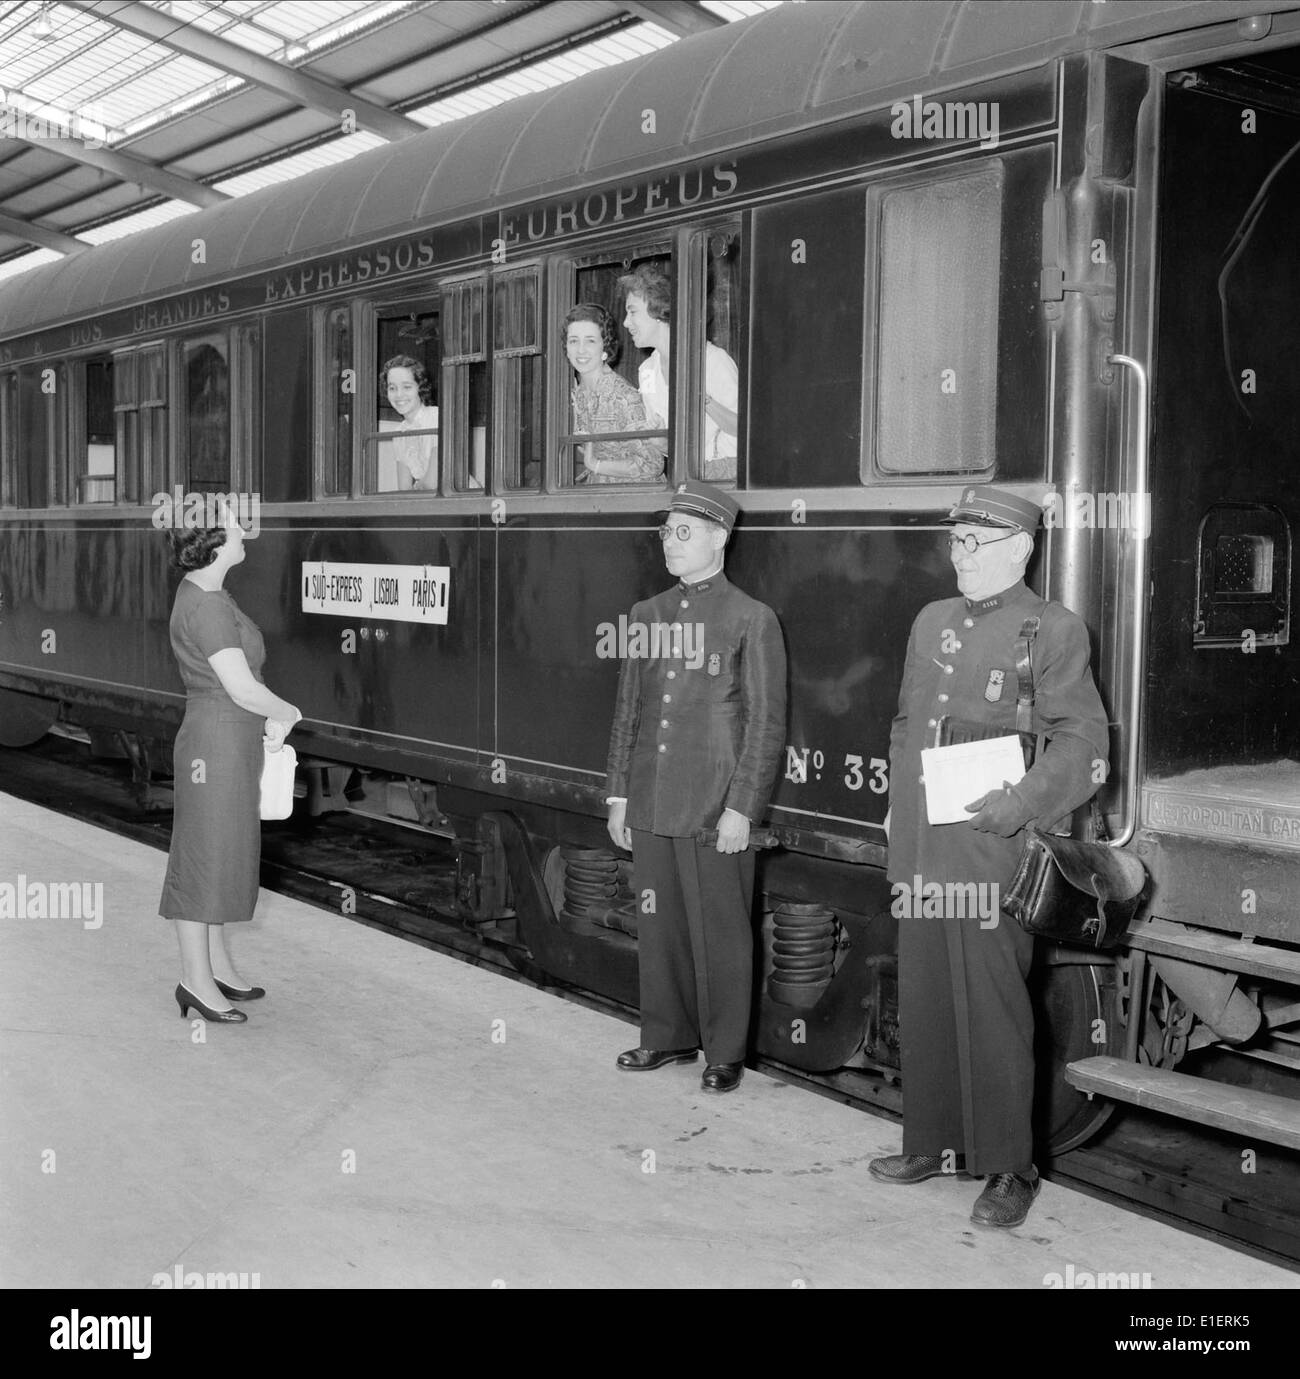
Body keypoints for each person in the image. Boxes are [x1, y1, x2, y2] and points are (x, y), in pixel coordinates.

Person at [871, 483, 1110, 1227]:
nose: (960, 556)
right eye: (956, 542)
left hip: (989, 845)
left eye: (976, 543)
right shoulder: (929, 619)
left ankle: (1011, 1166)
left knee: (997, 1007)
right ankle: (931, 1143)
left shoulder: (1052, 629)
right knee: (927, 994)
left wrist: (1022, 802)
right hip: (922, 841)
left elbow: (1086, 744)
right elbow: (908, 720)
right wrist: (893, 810)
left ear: (1021, 549)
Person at [605, 481, 786, 1093]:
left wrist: (743, 807)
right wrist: (619, 795)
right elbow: (630, 709)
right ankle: (666, 1036)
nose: (670, 543)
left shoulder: (751, 619)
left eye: (683, 532)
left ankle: (724, 1052)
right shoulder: (646, 614)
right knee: (659, 923)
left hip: (715, 804)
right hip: (653, 795)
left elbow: (765, 723)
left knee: (722, 931)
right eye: (665, 532)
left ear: (719, 538)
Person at [158, 504, 301, 1023]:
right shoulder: (209, 606)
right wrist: (286, 710)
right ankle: (194, 982)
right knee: (202, 860)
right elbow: (240, 687)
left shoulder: (205, 590)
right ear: (217, 541)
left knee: (222, 854)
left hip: (224, 740)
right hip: (214, 744)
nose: (246, 530)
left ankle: (216, 967)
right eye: (238, 524)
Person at [619, 264, 740, 482]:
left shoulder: (712, 360)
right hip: (681, 474)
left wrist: (703, 400)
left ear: (657, 309)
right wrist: (659, 440)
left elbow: (744, 430)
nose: (626, 322)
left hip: (725, 475)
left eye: (632, 311)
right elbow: (664, 442)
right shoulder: (646, 371)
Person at [563, 303, 663, 484]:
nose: (581, 349)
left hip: (635, 497)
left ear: (605, 347)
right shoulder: (576, 393)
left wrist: (595, 464)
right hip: (597, 492)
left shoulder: (623, 397)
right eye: (574, 340)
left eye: (590, 340)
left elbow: (653, 465)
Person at [382, 355, 438, 490]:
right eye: (392, 388)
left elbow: (433, 482)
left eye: (407, 387)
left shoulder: (436, 417)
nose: (399, 395)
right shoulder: (400, 432)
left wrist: (417, 486)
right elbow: (404, 490)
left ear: (420, 387)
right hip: (428, 503)